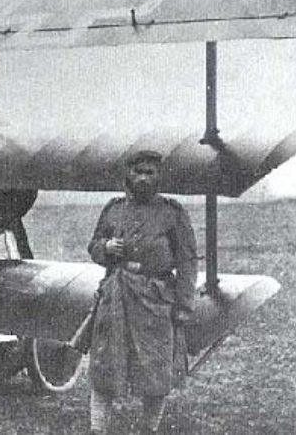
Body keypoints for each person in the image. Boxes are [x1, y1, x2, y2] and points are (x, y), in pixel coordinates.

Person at [86, 150, 198, 434]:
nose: (144, 178)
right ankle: (98, 429)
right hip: (116, 298)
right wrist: (105, 248)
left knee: (155, 369)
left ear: (159, 177)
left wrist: (183, 305)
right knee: (104, 364)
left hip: (155, 300)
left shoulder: (172, 213)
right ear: (128, 174)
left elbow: (187, 261)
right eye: (138, 172)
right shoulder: (113, 209)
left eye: (150, 172)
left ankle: (149, 428)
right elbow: (94, 247)